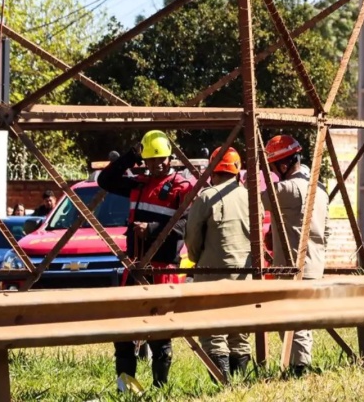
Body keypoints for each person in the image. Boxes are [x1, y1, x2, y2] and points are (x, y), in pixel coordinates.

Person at [97, 130, 193, 390]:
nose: (158, 163)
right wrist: (131, 156)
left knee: (160, 334)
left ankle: (160, 388)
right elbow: (105, 180)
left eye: (162, 158)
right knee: (124, 332)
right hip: (135, 267)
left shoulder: (182, 187)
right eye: (151, 159)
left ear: (171, 158)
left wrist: (150, 229)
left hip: (163, 268)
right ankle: (125, 387)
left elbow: (183, 226)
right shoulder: (139, 183)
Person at [261, 134, 329, 376]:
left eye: (272, 167)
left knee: (294, 320)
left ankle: (300, 369)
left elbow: (255, 201)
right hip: (314, 264)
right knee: (302, 320)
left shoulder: (288, 188)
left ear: (282, 164)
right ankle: (300, 366)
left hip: (293, 266)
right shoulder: (319, 188)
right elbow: (325, 229)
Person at [185, 146, 252, 383]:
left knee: (213, 331)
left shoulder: (206, 196)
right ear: (237, 170)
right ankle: (240, 383)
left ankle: (222, 385)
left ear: (212, 169)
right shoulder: (249, 196)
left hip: (211, 276)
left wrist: (196, 257)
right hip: (245, 276)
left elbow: (192, 236)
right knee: (239, 332)